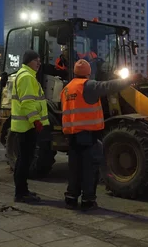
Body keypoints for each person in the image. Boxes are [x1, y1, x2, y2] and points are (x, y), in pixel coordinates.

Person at [60, 59, 143, 211]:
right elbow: (109, 86)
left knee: (74, 169)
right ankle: (88, 201)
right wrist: (129, 79)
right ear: (88, 73)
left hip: (72, 136)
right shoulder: (89, 86)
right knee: (90, 169)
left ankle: (70, 199)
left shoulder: (67, 89)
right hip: (87, 135)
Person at [11, 49, 50, 203]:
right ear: (28, 62)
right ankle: (20, 193)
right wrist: (36, 121)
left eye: (39, 60)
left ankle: (23, 190)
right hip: (27, 126)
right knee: (24, 160)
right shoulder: (27, 77)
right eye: (36, 60)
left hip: (25, 126)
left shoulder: (26, 75)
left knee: (24, 159)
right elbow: (27, 103)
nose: (39, 63)